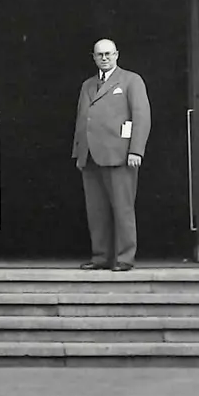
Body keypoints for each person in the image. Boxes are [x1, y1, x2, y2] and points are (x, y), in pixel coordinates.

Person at [71, 39, 150, 271]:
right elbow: (81, 119)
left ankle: (124, 257)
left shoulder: (130, 80)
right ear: (93, 57)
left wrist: (136, 150)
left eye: (108, 54)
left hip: (119, 154)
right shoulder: (88, 84)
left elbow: (141, 116)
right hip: (91, 156)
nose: (104, 58)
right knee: (96, 211)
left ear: (117, 54)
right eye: (99, 55)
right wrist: (79, 152)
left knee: (122, 208)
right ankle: (101, 257)